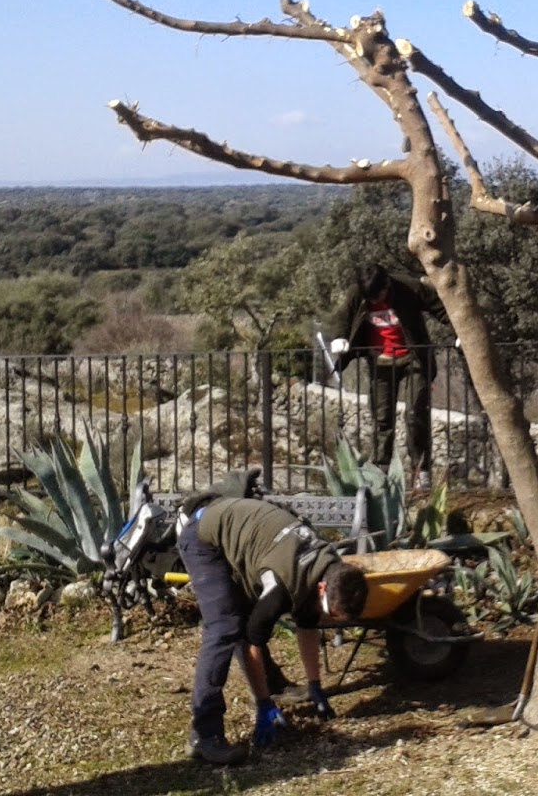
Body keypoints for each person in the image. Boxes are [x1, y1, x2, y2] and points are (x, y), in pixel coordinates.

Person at [176, 495, 370, 765]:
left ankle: (277, 688)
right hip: (203, 537)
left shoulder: (330, 565)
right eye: (329, 611)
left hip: (248, 536)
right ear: (322, 588)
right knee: (226, 627)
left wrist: (316, 686)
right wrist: (262, 703)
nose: (327, 618)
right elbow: (253, 640)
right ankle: (204, 735)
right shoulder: (281, 588)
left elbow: (308, 622)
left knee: (243, 620)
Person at [328, 263, 451, 487]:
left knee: (415, 414)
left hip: (413, 359)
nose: (375, 302)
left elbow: (441, 308)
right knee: (382, 419)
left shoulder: (409, 287)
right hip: (380, 362)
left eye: (379, 296)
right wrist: (340, 336)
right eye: (370, 299)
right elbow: (342, 316)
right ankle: (381, 471)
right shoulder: (359, 292)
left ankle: (421, 472)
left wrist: (459, 333)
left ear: (386, 284)